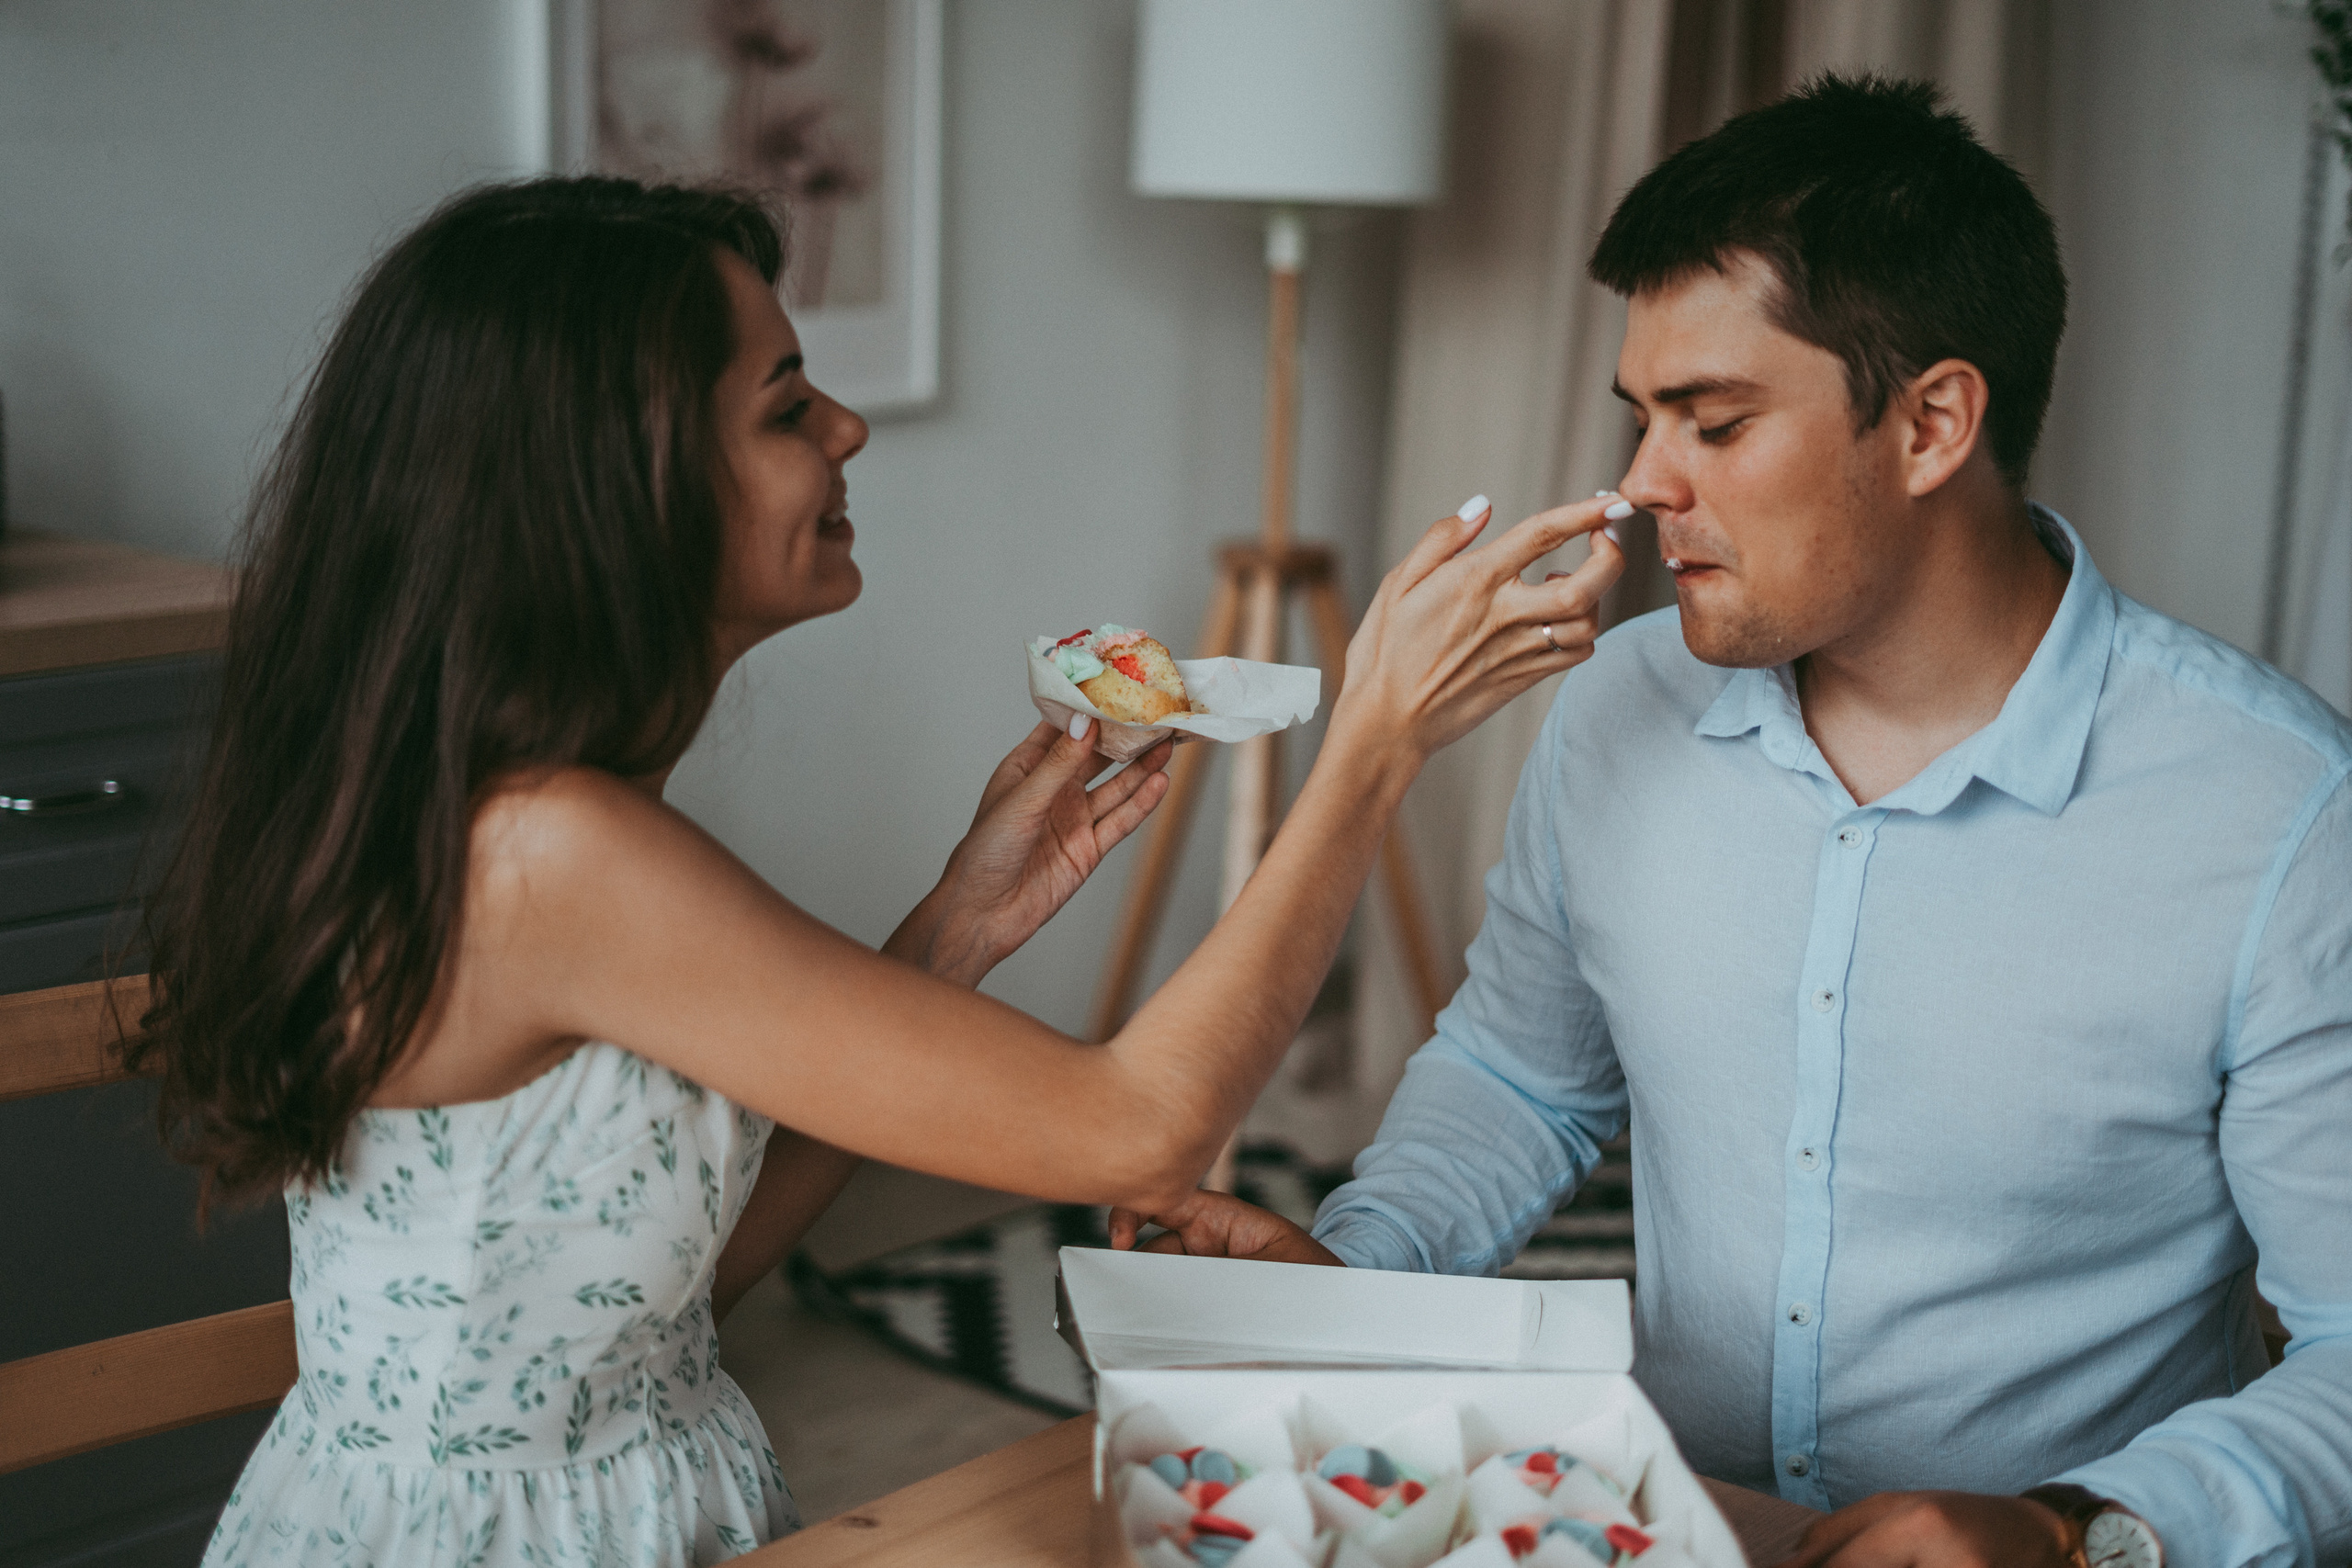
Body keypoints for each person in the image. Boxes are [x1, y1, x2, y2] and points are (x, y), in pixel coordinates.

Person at [130, 177, 1627, 1565]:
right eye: (787, 405)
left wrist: (946, 942)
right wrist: (1371, 740)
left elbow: (653, 1299)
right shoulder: (551, 854)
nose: (846, 429)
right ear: (622, 473)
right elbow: (1138, 1129)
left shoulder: (529, 822)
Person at [1112, 75, 2352, 1568]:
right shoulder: (1617, 707)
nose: (1641, 485)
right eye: (1642, 418)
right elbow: (1521, 1072)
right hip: (1657, 1530)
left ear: (1934, 423)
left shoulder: (2279, 819)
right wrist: (1357, 1276)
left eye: (1714, 421)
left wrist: (2081, 1531)